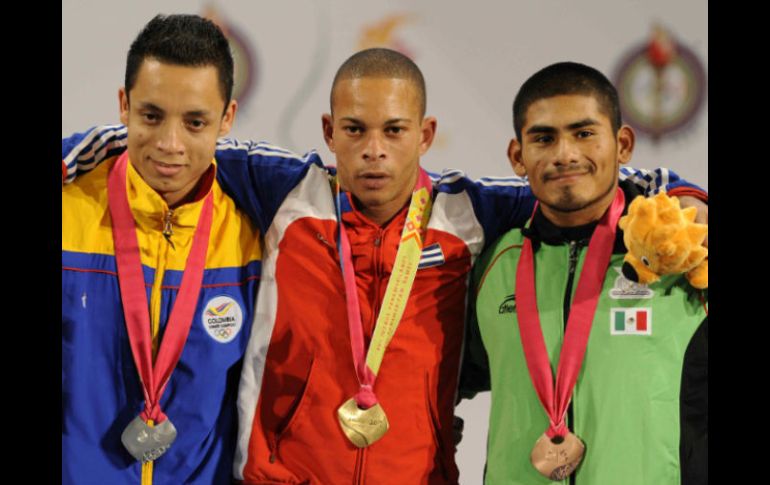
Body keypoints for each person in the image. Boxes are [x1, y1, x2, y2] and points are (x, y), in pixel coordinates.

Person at [63, 49, 706, 484]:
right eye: (355, 129)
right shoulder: (283, 191)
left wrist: (684, 200)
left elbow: (575, 180)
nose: (374, 150)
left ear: (425, 134)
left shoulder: (469, 212)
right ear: (328, 131)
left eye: (394, 131)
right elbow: (177, 139)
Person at [61, 14, 321, 485]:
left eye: (195, 122)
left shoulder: (257, 232)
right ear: (124, 105)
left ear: (227, 119)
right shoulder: (68, 212)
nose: (170, 144)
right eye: (151, 116)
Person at [459, 62, 707, 485]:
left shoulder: (684, 256)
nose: (565, 154)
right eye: (544, 138)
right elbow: (443, 381)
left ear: (623, 144)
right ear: (518, 156)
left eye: (584, 133)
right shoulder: (493, 263)